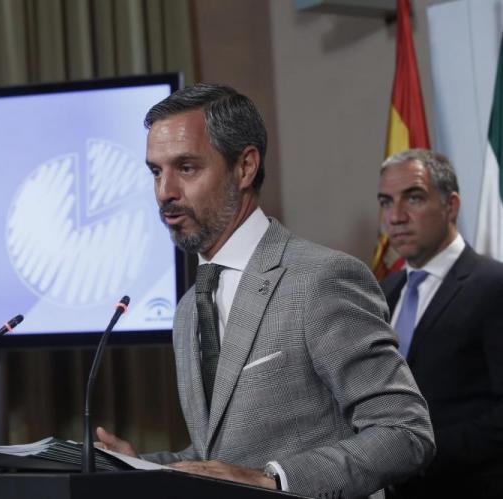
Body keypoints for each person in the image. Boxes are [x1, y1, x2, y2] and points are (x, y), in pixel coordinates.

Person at [96, 84, 435, 499]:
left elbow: (404, 431)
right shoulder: (187, 309)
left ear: (245, 167)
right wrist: (138, 466)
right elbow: (219, 455)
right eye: (155, 171)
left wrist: (277, 481)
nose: (164, 191)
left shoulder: (321, 278)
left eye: (186, 168)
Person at [377, 149, 503, 498]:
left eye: (413, 198)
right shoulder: (383, 294)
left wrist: (417, 453)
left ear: (451, 206)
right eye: (386, 202)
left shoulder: (493, 285)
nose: (396, 217)